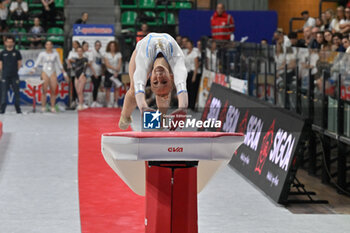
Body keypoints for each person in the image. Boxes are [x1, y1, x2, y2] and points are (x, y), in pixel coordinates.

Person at [118, 32, 188, 130]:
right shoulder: (177, 62)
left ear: (149, 78)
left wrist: (143, 108)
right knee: (133, 90)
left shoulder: (144, 63)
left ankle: (160, 121)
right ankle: (125, 116)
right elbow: (182, 89)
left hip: (142, 54)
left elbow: (140, 90)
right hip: (140, 51)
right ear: (172, 77)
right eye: (164, 81)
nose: (159, 77)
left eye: (155, 82)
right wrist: (182, 109)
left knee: (138, 88)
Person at [32, 41, 68, 113]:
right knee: (44, 90)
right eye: (47, 44)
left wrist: (64, 73)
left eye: (50, 44)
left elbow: (59, 64)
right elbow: (37, 62)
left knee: (53, 91)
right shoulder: (42, 54)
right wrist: (33, 69)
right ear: (45, 46)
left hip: (53, 72)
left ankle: (52, 107)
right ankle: (43, 107)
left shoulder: (55, 54)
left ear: (52, 46)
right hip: (45, 72)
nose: (48, 46)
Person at [0, 36, 22, 114]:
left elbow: (19, 63)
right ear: (5, 43)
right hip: (5, 76)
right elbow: (1, 64)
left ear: (13, 43)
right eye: (8, 42)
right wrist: (2, 73)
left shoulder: (17, 52)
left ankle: (18, 109)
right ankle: (2, 109)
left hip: (14, 76)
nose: (9, 43)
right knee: (3, 93)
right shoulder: (2, 53)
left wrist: (15, 71)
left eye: (11, 42)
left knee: (16, 92)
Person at [104, 40, 123, 108]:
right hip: (109, 72)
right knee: (108, 88)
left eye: (114, 46)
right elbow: (107, 64)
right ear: (109, 47)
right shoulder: (106, 54)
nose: (112, 47)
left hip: (117, 73)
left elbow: (119, 63)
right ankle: (108, 102)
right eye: (111, 46)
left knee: (117, 88)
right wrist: (114, 69)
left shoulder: (119, 54)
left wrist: (117, 71)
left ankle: (116, 102)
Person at [184, 39, 199, 110]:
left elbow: (196, 65)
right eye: (186, 44)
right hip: (186, 73)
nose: (187, 45)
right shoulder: (185, 53)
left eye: (188, 44)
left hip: (192, 73)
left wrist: (194, 76)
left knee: (193, 90)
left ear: (192, 45)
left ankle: (192, 105)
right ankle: (188, 104)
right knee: (187, 89)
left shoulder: (194, 53)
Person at [67, 40, 81, 108]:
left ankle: (79, 100)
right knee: (73, 86)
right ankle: (73, 100)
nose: (74, 45)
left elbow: (81, 60)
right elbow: (69, 60)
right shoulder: (71, 52)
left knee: (79, 86)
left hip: (80, 71)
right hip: (73, 71)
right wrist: (76, 60)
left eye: (75, 44)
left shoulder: (80, 51)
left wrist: (74, 60)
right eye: (73, 44)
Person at [91, 40, 103, 108]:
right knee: (95, 87)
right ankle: (94, 101)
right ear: (95, 46)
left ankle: (96, 101)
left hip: (99, 73)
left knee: (97, 86)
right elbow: (90, 64)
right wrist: (94, 73)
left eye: (99, 45)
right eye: (97, 45)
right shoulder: (92, 53)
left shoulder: (100, 53)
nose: (98, 46)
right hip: (94, 73)